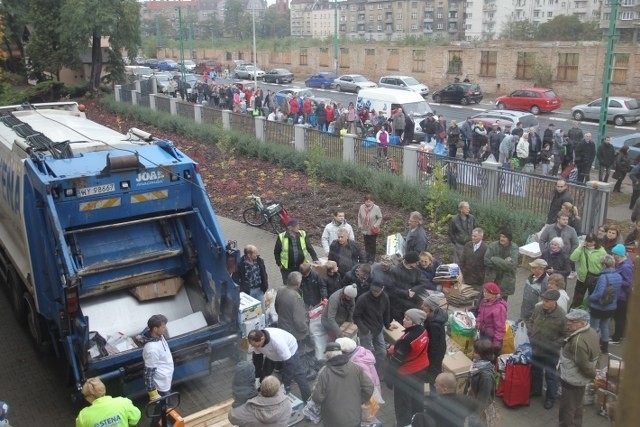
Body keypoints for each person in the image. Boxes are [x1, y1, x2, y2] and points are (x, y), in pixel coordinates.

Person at [311, 342, 374, 427]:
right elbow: (369, 387)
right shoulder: (356, 367)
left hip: (332, 420)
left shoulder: (324, 373)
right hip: (353, 416)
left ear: (327, 356)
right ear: (341, 353)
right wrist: (359, 400)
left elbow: (317, 397)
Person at [387, 309, 430, 427]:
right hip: (422, 368)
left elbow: (396, 360)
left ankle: (404, 423)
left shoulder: (408, 339)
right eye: (405, 317)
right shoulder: (423, 331)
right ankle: (418, 421)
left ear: (414, 322)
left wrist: (389, 378)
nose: (404, 320)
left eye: (407, 319)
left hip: (406, 373)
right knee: (417, 397)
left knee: (403, 403)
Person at [558, 309, 600, 427]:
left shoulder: (577, 342)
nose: (568, 323)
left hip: (572, 379)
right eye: (569, 320)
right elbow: (599, 353)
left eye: (573, 321)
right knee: (577, 404)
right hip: (581, 381)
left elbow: (583, 365)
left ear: (583, 323)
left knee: (567, 408)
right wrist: (596, 370)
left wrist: (594, 375)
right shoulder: (592, 332)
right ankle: (577, 424)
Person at [248, 328, 312, 402]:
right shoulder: (256, 343)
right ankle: (263, 392)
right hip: (272, 354)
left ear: (262, 338)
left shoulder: (277, 341)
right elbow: (257, 360)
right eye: (254, 346)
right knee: (266, 372)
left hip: (290, 352)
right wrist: (257, 376)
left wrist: (286, 383)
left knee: (298, 375)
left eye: (258, 345)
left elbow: (289, 364)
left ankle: (307, 401)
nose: (257, 347)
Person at [527, 289, 566, 410]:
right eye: (544, 300)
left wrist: (554, 345)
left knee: (550, 375)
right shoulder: (538, 309)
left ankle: (550, 398)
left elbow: (565, 335)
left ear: (554, 302)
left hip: (550, 352)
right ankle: (536, 390)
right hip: (536, 347)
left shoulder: (561, 315)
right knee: (536, 370)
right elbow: (531, 320)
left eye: (547, 301)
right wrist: (530, 332)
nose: (544, 302)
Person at [353, 282, 394, 368]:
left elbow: (387, 312)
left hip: (378, 328)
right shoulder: (363, 298)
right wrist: (364, 329)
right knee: (366, 354)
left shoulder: (385, 297)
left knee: (382, 352)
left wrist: (387, 325)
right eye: (373, 290)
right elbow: (356, 316)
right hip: (366, 330)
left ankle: (376, 369)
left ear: (382, 288)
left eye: (377, 291)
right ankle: (366, 370)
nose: (375, 292)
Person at [588, 254, 622, 353]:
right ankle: (605, 348)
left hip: (598, 308)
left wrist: (590, 298)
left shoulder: (603, 277)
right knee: (604, 326)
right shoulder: (618, 276)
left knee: (593, 327)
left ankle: (592, 347)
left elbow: (599, 293)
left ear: (604, 264)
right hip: (611, 307)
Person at [75, 377, 141, 427]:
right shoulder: (123, 402)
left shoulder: (83, 416)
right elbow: (135, 418)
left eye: (85, 396)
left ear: (90, 396)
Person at [336, 337, 385, 404]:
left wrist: (362, 401)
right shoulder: (360, 352)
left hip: (368, 398)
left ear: (344, 352)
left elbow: (368, 385)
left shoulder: (358, 364)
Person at [274, 218, 318, 285]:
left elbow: (309, 247)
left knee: (300, 283)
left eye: (298, 225)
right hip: (286, 267)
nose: (298, 227)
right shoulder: (281, 236)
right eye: (296, 226)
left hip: (300, 266)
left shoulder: (303, 234)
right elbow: (276, 251)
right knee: (288, 284)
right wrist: (279, 263)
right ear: (290, 228)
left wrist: (315, 258)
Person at [140, 314, 173, 402]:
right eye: (163, 327)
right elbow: (148, 373)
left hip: (166, 379)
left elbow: (147, 329)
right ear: (155, 329)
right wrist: (153, 394)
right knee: (161, 409)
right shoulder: (152, 349)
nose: (165, 329)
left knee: (166, 407)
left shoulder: (159, 336)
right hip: (161, 385)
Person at [388, 252, 429, 321]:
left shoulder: (416, 270)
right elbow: (391, 288)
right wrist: (406, 293)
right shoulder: (395, 271)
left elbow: (424, 282)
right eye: (416, 262)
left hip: (413, 299)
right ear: (410, 263)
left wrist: (413, 290)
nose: (417, 264)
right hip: (398, 301)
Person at [569, 233, 607, 309]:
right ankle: (573, 312)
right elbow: (573, 258)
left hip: (595, 278)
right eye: (587, 241)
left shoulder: (601, 251)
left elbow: (605, 264)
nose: (588, 243)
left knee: (592, 297)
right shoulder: (582, 249)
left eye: (590, 241)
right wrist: (579, 248)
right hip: (582, 278)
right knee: (577, 298)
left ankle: (589, 312)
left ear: (595, 242)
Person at [467, 339, 498, 427]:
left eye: (475, 352)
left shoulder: (486, 376)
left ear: (482, 355)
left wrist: (476, 414)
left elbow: (483, 399)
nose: (472, 352)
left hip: (479, 410)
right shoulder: (477, 366)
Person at [484, 227, 518, 301]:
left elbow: (511, 265)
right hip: (492, 279)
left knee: (501, 303)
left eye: (504, 237)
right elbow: (486, 260)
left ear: (509, 238)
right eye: (501, 236)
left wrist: (494, 259)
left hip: (505, 282)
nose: (502, 239)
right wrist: (504, 263)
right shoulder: (493, 245)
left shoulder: (514, 248)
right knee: (488, 301)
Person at [274, 272, 309, 341]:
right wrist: (305, 330)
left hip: (282, 327)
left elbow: (277, 308)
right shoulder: (296, 298)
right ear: (298, 283)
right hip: (294, 333)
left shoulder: (280, 290)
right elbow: (299, 320)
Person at [234, 244, 269, 311]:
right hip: (248, 292)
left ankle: (263, 321)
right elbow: (236, 279)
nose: (257, 254)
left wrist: (265, 285)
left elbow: (264, 274)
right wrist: (241, 290)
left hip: (259, 290)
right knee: (250, 312)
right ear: (249, 255)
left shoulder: (260, 261)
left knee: (262, 311)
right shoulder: (240, 264)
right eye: (255, 253)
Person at [422, 295, 447, 387]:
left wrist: (427, 356)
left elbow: (433, 344)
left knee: (431, 373)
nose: (422, 306)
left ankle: (430, 392)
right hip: (440, 349)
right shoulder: (438, 314)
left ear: (430, 308)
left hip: (434, 353)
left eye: (424, 305)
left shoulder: (433, 324)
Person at [610, 244, 633, 345]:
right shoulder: (621, 263)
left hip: (622, 296)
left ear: (618, 255)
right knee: (621, 316)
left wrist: (616, 280)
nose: (612, 255)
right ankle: (622, 334)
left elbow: (628, 282)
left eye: (614, 254)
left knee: (619, 317)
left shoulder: (625, 266)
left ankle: (617, 338)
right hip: (620, 295)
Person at [476, 283, 507, 355]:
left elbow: (500, 328)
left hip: (491, 338)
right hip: (483, 332)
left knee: (488, 356)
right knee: (481, 353)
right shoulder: (485, 301)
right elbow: (480, 313)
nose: (484, 294)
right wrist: (478, 322)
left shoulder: (499, 308)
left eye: (486, 292)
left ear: (493, 294)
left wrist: (496, 343)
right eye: (484, 291)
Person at [358, 194, 383, 263]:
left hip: (372, 230)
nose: (368, 202)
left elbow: (380, 217)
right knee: (366, 244)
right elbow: (359, 216)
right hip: (364, 229)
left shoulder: (376, 208)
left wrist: (376, 225)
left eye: (370, 201)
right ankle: (367, 257)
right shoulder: (361, 207)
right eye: (366, 201)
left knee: (372, 245)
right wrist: (360, 225)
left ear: (373, 201)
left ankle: (372, 259)